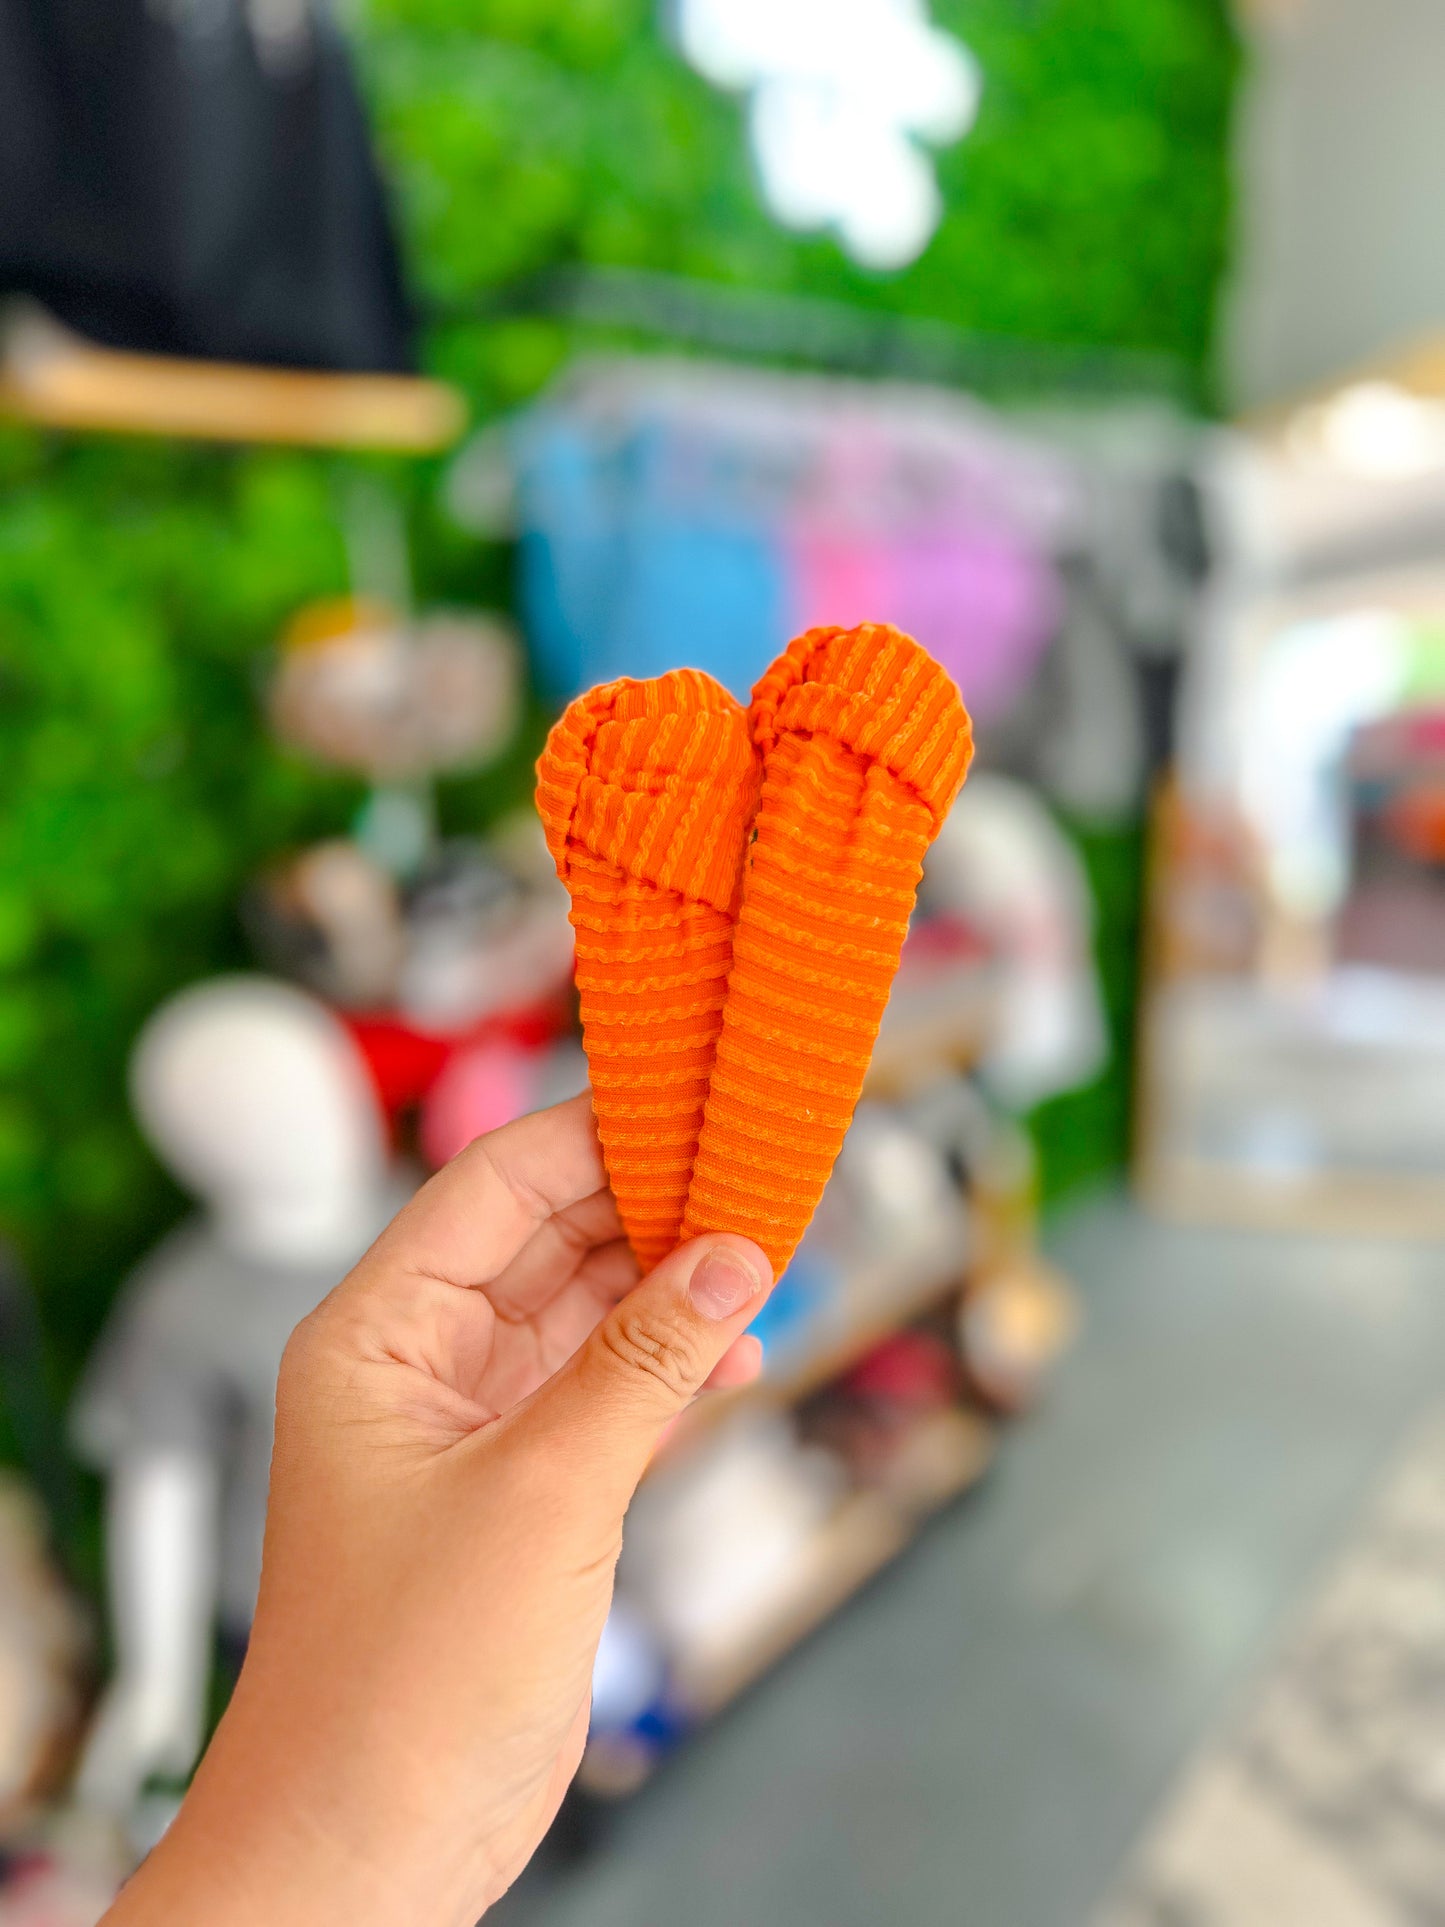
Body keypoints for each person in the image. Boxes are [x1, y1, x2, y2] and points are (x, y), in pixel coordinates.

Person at [100, 1093, 774, 1925]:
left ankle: (583, 1814)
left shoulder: (404, 1208)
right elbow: (160, 1488)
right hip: (285, 1600)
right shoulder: (184, 1301)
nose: (307, 1115)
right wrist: (154, 1681)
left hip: (479, 1554)